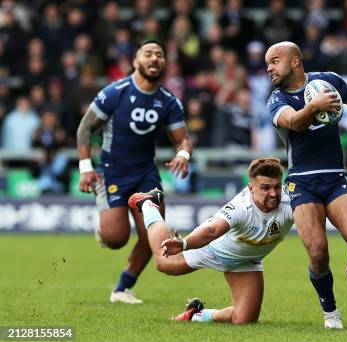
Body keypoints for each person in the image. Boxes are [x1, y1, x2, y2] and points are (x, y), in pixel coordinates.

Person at [264, 41, 347, 329]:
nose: (269, 68)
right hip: (301, 182)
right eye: (267, 64)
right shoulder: (276, 99)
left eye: (275, 61)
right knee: (318, 252)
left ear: (295, 61)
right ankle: (331, 313)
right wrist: (314, 106)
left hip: (335, 175)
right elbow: (295, 123)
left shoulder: (328, 81)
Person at [76, 39, 192, 304]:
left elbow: (182, 139)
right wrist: (85, 168)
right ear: (135, 62)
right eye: (148, 54)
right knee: (115, 238)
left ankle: (122, 288)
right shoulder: (115, 92)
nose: (154, 59)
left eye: (159, 55)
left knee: (154, 234)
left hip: (145, 175)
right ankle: (106, 228)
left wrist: (183, 154)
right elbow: (85, 128)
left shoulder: (169, 102)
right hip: (112, 172)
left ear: (164, 63)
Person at [128, 157, 293, 324]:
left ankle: (195, 315)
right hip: (212, 249)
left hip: (247, 260)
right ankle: (149, 204)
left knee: (244, 320)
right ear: (251, 188)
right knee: (163, 263)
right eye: (265, 188)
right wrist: (184, 244)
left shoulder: (291, 201)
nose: (273, 193)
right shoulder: (241, 207)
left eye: (277, 187)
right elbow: (211, 231)